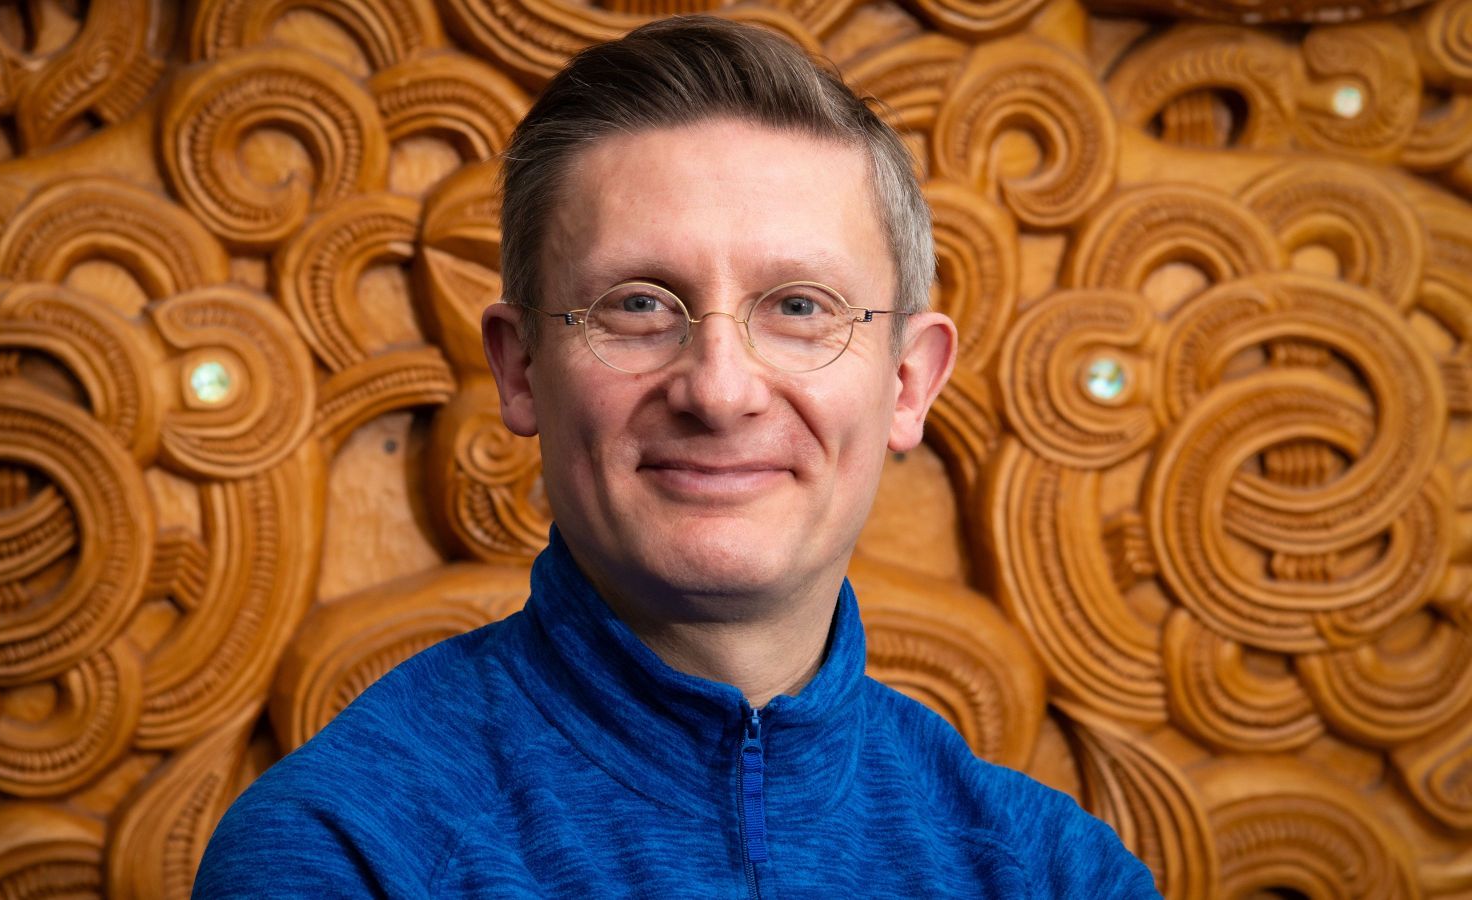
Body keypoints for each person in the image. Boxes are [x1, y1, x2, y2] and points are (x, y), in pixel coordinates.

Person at [194, 15, 1158, 898]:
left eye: (799, 308)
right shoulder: (342, 851)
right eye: (640, 305)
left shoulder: (1055, 870)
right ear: (522, 369)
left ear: (907, 384)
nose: (720, 388)